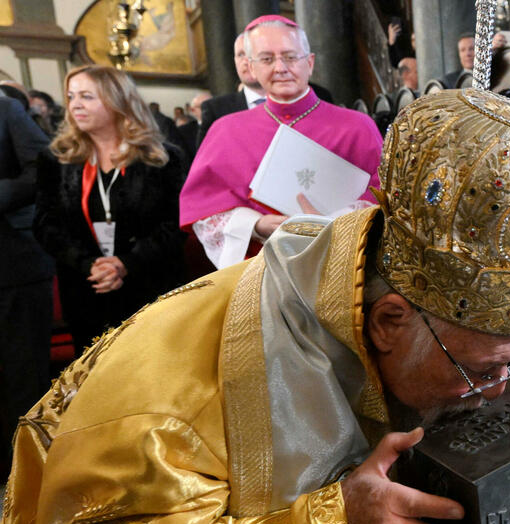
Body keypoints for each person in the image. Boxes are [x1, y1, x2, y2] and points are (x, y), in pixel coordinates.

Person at [0, 85, 510, 524]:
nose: (494, 392)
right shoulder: (169, 416)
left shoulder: (364, 279)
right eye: (481, 370)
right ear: (387, 322)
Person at [182, 15, 382, 269]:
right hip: (257, 270)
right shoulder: (225, 131)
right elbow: (204, 210)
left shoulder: (357, 126)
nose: (280, 68)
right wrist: (254, 224)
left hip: (342, 267)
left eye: (290, 56)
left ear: (309, 63)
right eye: (267, 59)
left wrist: (332, 223)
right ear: (252, 68)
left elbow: (385, 196)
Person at [32, 65, 188, 357]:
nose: (75, 104)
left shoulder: (162, 157)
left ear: (118, 101)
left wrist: (126, 262)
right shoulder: (56, 159)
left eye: (87, 96)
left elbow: (177, 223)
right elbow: (45, 224)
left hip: (151, 287)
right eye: (71, 96)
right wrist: (89, 264)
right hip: (86, 289)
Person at [0, 93, 53, 479]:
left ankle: (29, 474)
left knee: (21, 376)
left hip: (11, 267)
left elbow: (42, 166)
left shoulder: (5, 109)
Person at [197, 30, 335, 148]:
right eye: (241, 55)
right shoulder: (216, 109)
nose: (247, 60)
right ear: (235, 61)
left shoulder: (318, 95)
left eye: (259, 55)